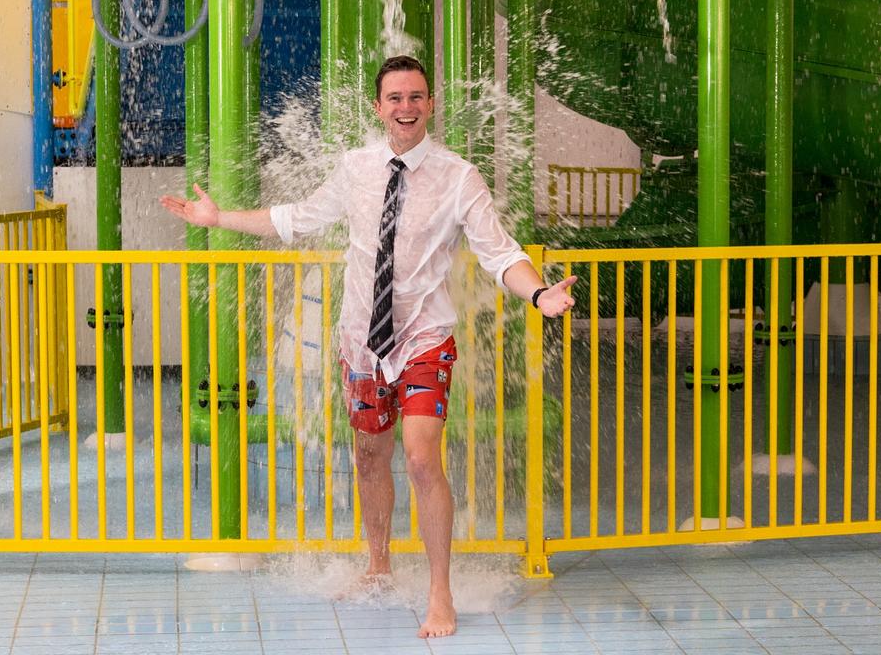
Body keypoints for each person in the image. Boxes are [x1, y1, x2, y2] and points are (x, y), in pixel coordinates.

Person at [161, 55, 575, 638]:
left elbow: (500, 253)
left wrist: (537, 296)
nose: (406, 108)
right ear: (378, 107)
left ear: (431, 105)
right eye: (395, 98)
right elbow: (297, 218)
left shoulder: (459, 177)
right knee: (368, 456)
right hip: (362, 341)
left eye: (416, 97)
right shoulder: (355, 167)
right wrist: (219, 216)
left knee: (422, 457)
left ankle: (440, 593)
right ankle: (378, 566)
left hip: (424, 340)